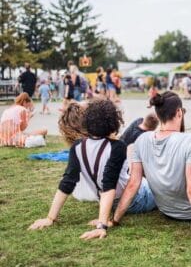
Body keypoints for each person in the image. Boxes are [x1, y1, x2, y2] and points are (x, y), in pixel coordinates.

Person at [112, 91, 191, 247]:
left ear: (158, 114)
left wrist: (114, 220)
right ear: (179, 112)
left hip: (167, 210)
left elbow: (133, 183)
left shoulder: (142, 140)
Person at [29, 99, 156, 238]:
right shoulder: (117, 147)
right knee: (141, 164)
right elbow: (109, 186)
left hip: (108, 202)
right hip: (136, 200)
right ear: (114, 121)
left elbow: (67, 182)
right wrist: (102, 224)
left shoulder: (77, 146)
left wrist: (50, 218)